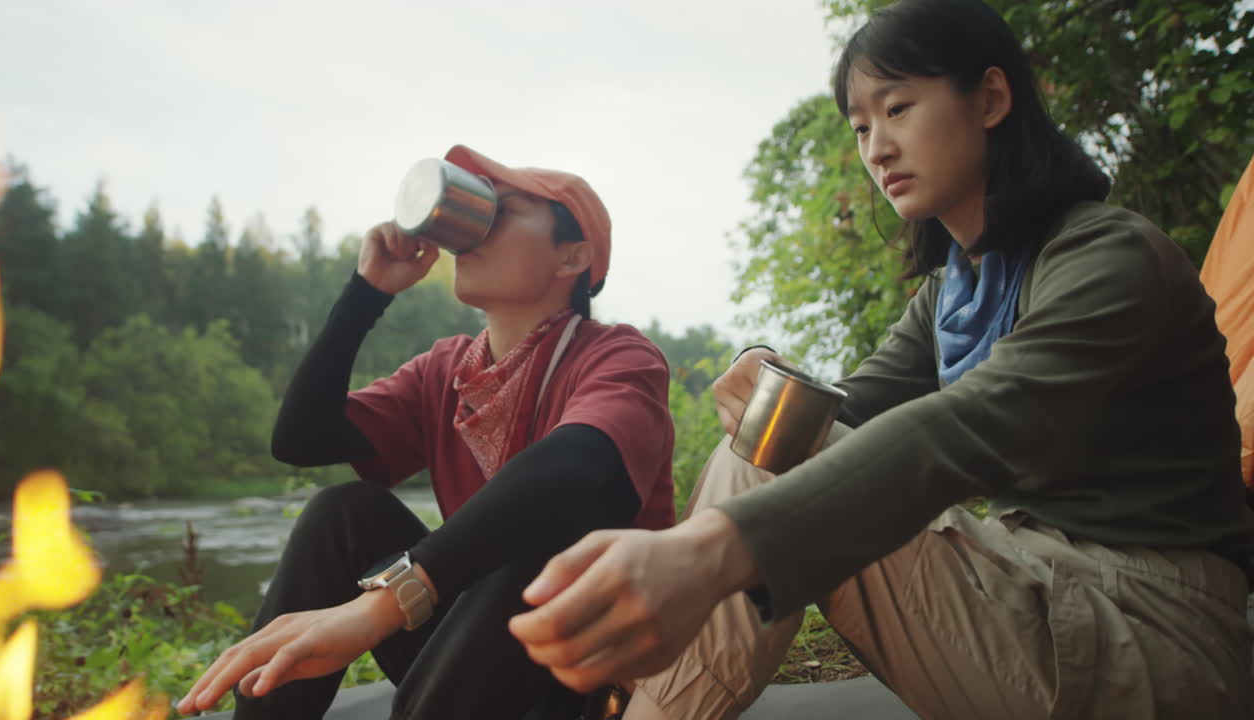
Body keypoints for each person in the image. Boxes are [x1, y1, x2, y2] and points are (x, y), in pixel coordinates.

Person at [508, 1, 1254, 718]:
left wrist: (706, 554)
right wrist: (765, 370)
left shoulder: (1108, 257)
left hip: (1156, 632)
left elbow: (970, 427)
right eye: (862, 126)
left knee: (774, 463)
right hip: (1037, 586)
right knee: (766, 443)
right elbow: (843, 413)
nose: (876, 148)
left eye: (898, 109)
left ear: (991, 97)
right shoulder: (955, 292)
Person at [176, 145, 676, 720]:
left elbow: (573, 471)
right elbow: (302, 439)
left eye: (501, 210)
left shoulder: (618, 357)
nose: (473, 230)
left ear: (572, 258)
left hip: (595, 678)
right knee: (342, 514)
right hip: (482, 657)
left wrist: (390, 600)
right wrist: (368, 292)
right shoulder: (448, 369)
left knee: (536, 557)